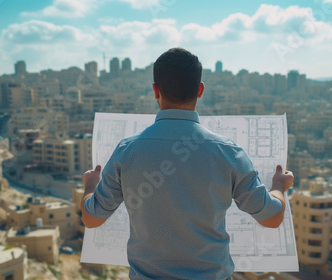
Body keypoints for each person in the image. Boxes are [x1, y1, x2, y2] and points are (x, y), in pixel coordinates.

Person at [81, 48, 294, 280]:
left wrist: (90, 186)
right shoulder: (228, 152)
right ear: (200, 89)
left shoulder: (127, 151)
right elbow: (272, 218)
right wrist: (279, 187)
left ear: (155, 91)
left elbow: (92, 218)